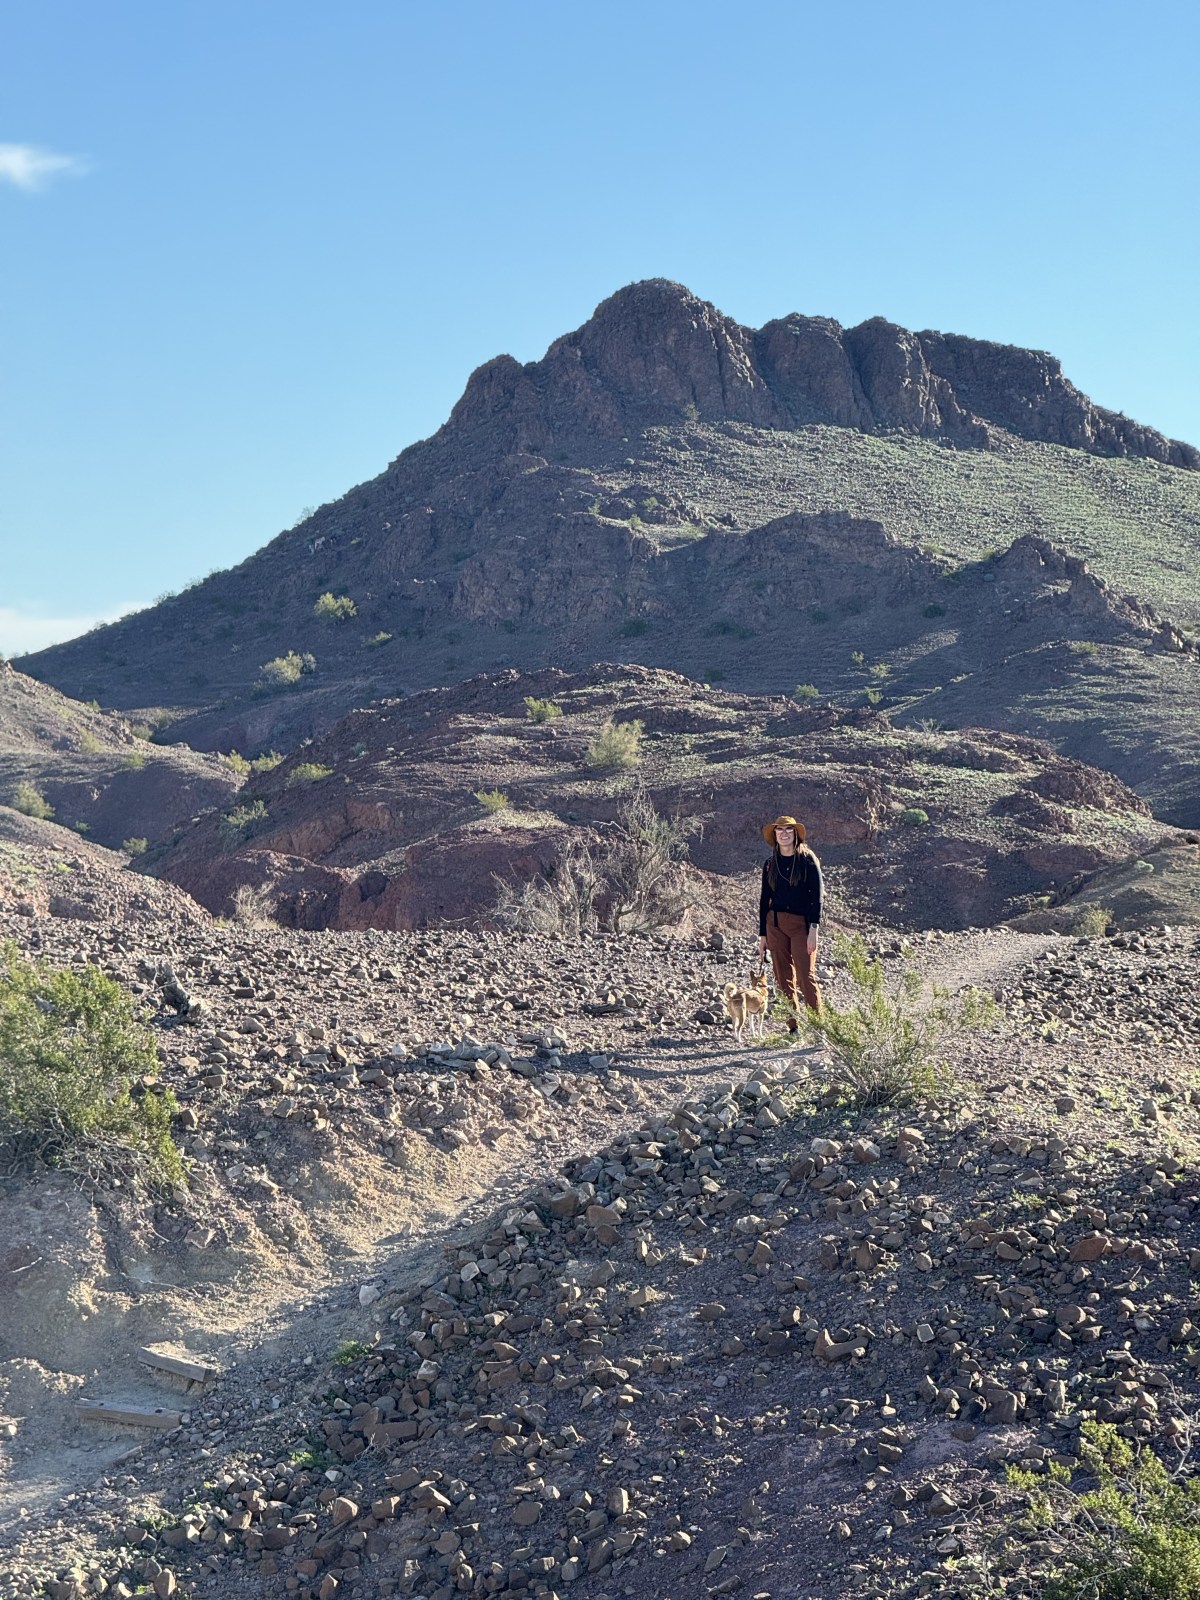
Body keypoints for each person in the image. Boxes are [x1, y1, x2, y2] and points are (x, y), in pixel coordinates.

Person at [756, 814, 822, 1030]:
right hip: (774, 925)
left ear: (795, 834)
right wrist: (762, 935)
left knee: (805, 976)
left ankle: (817, 1027)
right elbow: (764, 899)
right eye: (779, 830)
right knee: (783, 978)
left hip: (801, 925)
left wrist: (814, 928)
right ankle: (793, 1027)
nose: (784, 834)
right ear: (774, 835)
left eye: (788, 830)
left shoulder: (807, 859)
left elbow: (817, 896)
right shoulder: (770, 864)